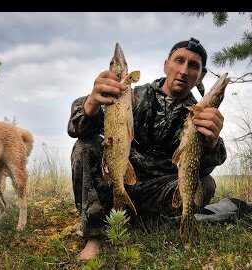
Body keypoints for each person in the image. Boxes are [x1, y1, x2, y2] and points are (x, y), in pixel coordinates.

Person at [67, 38, 227, 260]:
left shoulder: (198, 113)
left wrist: (211, 142)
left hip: (160, 192)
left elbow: (202, 166)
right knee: (85, 146)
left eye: (193, 65)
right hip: (121, 181)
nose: (183, 70)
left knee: (206, 183)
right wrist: (91, 103)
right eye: (179, 61)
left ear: (201, 75)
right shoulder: (133, 95)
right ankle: (94, 235)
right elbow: (79, 129)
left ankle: (147, 221)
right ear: (165, 65)